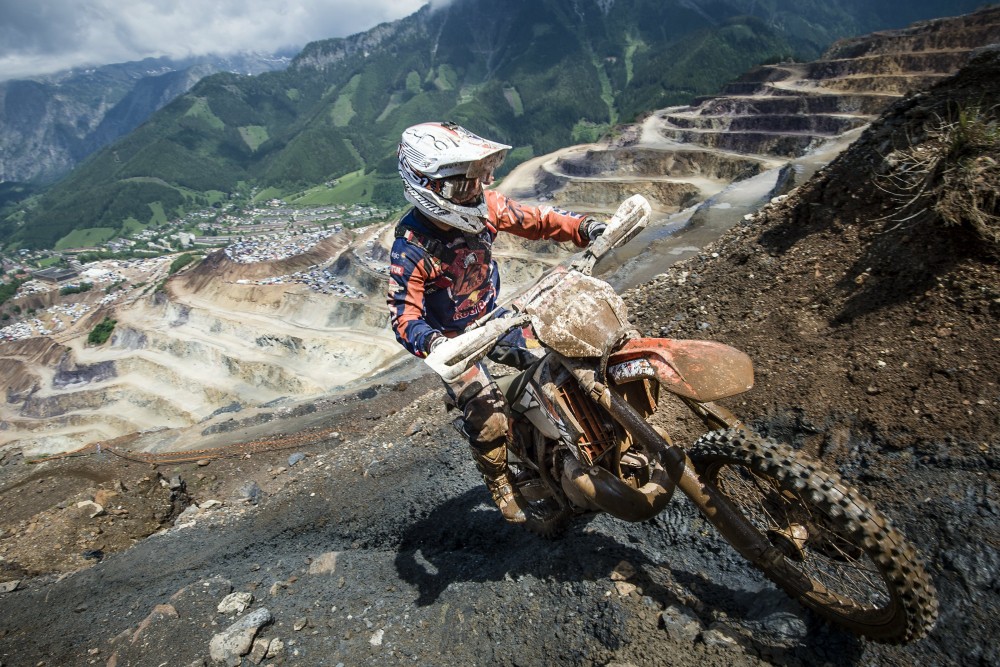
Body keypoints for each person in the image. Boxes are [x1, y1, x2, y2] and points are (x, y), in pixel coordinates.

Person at [387, 121, 606, 523]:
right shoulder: (411, 248)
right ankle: (500, 481)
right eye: (462, 184)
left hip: (493, 316)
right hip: (454, 341)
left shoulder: (486, 207)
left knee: (559, 360)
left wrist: (582, 227)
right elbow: (403, 316)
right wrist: (435, 344)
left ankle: (570, 437)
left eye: (478, 178)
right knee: (487, 417)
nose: (475, 190)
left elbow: (536, 219)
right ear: (426, 186)